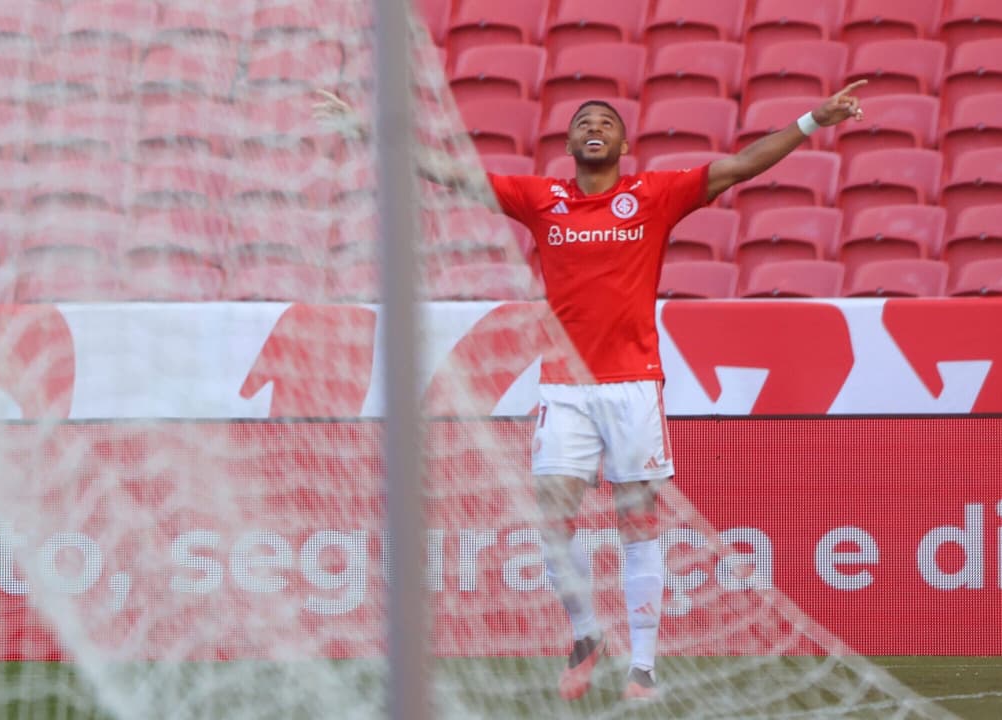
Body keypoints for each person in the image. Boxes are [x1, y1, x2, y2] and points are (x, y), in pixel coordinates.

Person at [316, 83, 867, 701]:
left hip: (633, 386)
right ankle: (585, 636)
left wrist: (812, 118)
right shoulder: (540, 199)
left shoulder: (655, 196)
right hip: (565, 388)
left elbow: (741, 165)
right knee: (552, 515)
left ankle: (644, 668)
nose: (593, 127)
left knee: (636, 521)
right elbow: (450, 171)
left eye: (606, 121)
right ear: (571, 145)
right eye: (583, 122)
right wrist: (367, 128)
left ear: (625, 144)